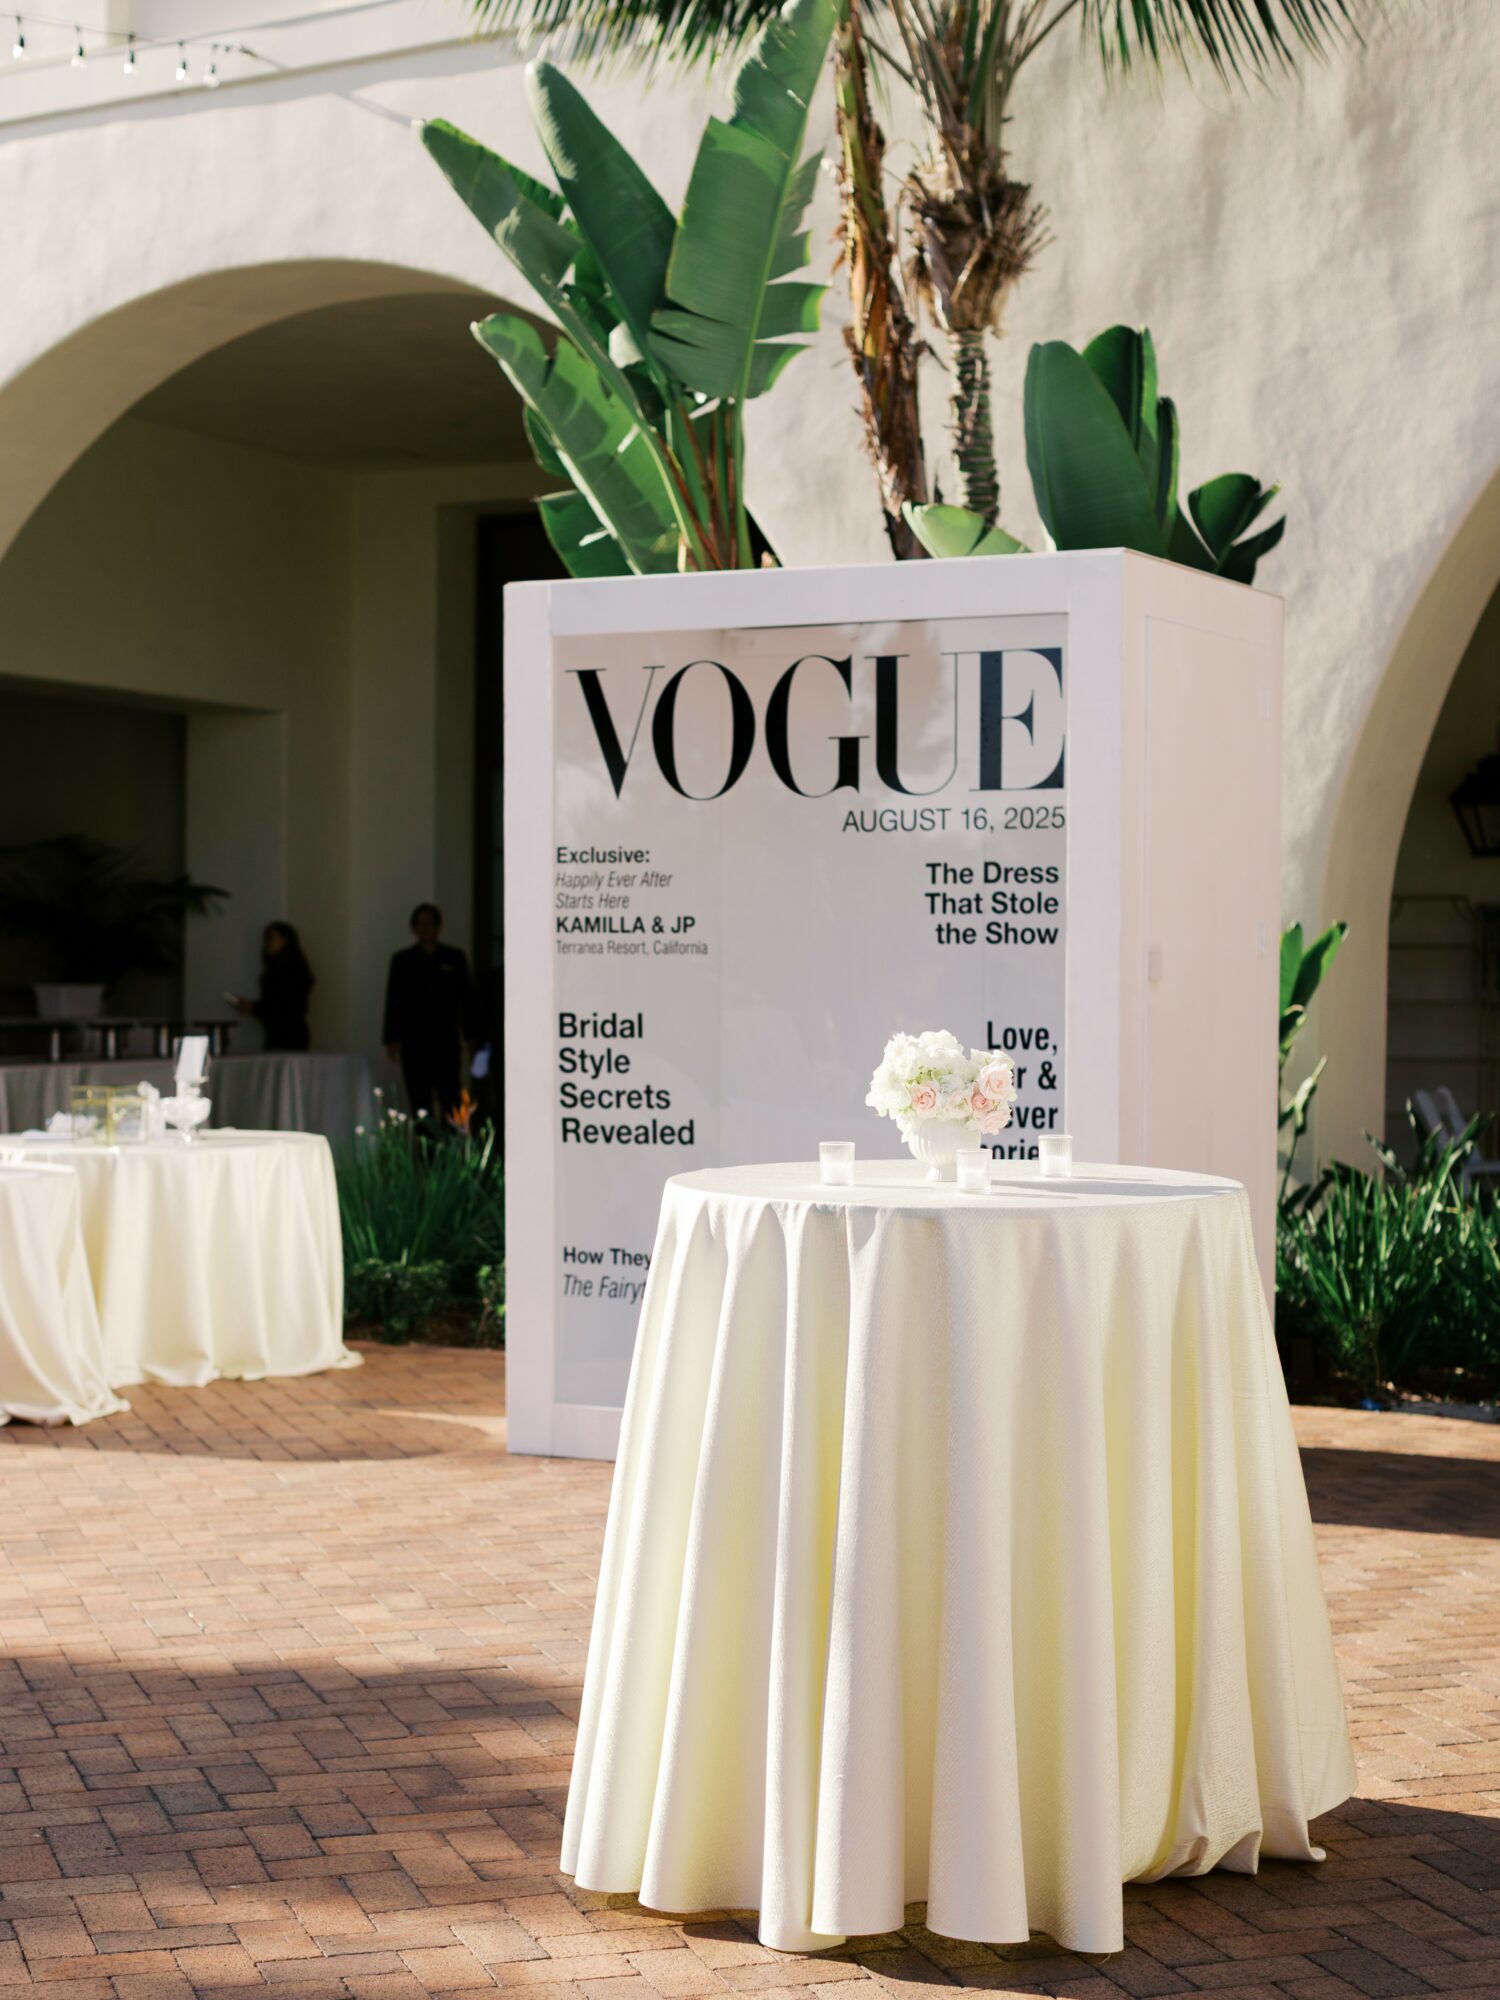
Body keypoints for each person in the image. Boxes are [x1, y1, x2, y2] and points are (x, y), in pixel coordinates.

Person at [383, 902, 474, 1119]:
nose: (425, 929)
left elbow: (467, 999)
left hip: (446, 1039)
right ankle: (426, 1150)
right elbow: (394, 999)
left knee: (450, 1097)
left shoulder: (454, 958)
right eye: (420, 924)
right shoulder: (403, 960)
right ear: (414, 929)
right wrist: (391, 1038)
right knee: (419, 1099)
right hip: (414, 1040)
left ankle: (451, 1148)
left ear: (439, 926)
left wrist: (470, 1035)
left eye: (429, 924)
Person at [230, 921, 313, 1052]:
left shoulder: (292, 971)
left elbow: (284, 1006)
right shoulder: (284, 969)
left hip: (288, 1034)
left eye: (272, 938)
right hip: (280, 1032)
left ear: (285, 941)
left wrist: (254, 1007)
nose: (267, 943)